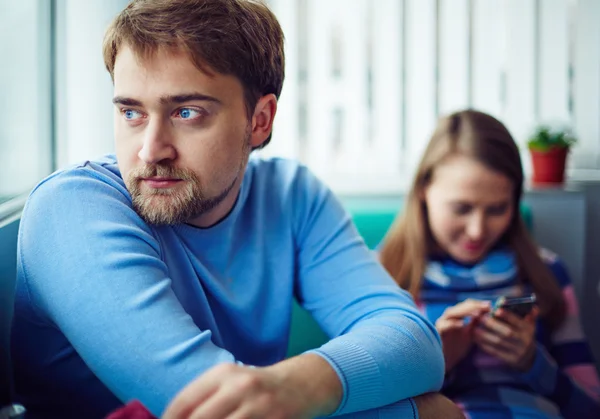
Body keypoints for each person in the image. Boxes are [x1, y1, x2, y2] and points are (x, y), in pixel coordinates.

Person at [10, 1, 454, 418]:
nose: (150, 151)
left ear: (259, 120)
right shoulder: (71, 210)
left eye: (186, 112)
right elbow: (204, 408)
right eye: (132, 113)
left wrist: (298, 386)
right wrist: (416, 412)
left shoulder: (292, 195)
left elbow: (413, 341)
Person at [379, 109, 600, 418]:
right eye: (461, 208)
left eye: (497, 209)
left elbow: (590, 407)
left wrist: (534, 364)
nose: (478, 230)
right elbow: (358, 403)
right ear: (423, 191)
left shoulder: (546, 272)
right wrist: (433, 363)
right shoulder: (379, 275)